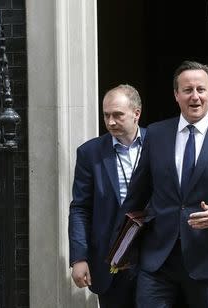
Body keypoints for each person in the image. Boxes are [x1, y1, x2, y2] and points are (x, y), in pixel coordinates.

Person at [121, 60, 208, 307]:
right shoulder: (156, 134)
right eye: (187, 90)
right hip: (158, 260)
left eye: (201, 89)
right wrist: (119, 248)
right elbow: (136, 195)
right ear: (176, 95)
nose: (195, 96)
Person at [68, 84, 145, 308]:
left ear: (136, 113)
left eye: (118, 115)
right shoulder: (89, 153)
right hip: (109, 260)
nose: (110, 121)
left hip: (153, 258)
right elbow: (80, 208)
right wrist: (79, 258)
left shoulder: (158, 144)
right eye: (106, 115)